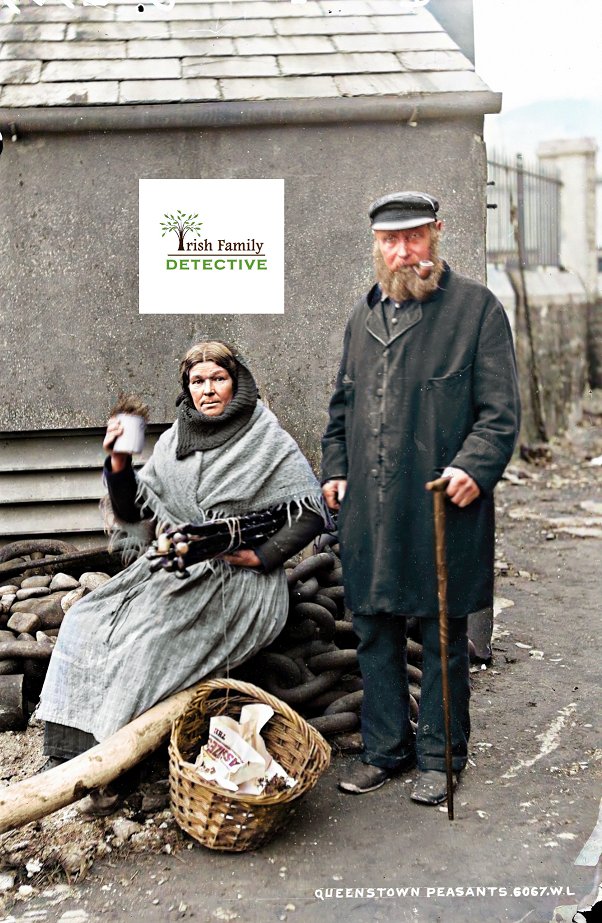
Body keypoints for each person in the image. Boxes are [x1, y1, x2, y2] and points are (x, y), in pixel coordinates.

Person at [37, 341, 327, 812]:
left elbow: (309, 514)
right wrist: (117, 464)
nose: (208, 390)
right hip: (177, 568)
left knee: (149, 643)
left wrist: (262, 557)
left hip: (241, 584)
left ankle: (113, 769)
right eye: (198, 381)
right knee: (86, 621)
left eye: (218, 379)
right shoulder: (175, 440)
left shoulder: (265, 436)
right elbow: (139, 514)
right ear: (186, 388)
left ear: (237, 382)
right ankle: (71, 755)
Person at [321, 192, 520, 804]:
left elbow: (499, 416)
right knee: (374, 627)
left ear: (437, 233)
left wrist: (472, 467)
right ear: (376, 246)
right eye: (390, 240)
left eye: (414, 237)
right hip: (371, 510)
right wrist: (335, 469)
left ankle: (441, 756)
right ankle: (386, 750)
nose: (403, 251)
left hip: (440, 504)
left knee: (440, 631)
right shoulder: (363, 318)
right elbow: (342, 408)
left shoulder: (476, 311)